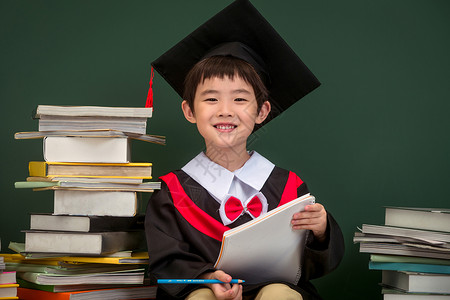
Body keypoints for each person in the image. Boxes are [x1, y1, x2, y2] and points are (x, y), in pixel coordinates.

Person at [145, 1, 345, 299]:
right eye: (211, 100)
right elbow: (167, 262)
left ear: (262, 111)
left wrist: (321, 230)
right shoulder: (171, 193)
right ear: (189, 110)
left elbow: (307, 264)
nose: (226, 111)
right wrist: (208, 278)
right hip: (206, 290)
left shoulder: (288, 187)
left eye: (240, 100)